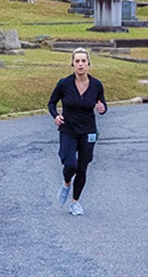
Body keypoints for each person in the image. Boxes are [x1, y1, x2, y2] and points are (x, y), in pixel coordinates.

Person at [47, 48, 107, 216]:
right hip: (68, 129)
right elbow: (51, 103)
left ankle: (75, 202)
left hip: (88, 131)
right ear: (72, 64)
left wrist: (102, 109)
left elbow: (103, 105)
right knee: (70, 163)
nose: (80, 64)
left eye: (83, 61)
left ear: (88, 64)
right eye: (77, 61)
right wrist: (56, 116)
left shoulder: (96, 85)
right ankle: (66, 183)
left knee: (82, 167)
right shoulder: (64, 84)